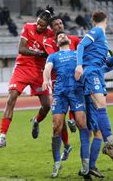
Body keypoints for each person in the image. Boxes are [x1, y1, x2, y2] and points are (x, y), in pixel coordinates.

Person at [74, 11, 113, 168]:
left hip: (97, 72)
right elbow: (80, 45)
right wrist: (79, 65)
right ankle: (110, 142)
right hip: (90, 72)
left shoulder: (102, 40)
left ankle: (107, 144)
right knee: (101, 107)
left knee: (100, 110)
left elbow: (108, 64)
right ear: (106, 20)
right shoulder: (97, 31)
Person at [0, 7, 55, 148]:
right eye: (38, 23)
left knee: (46, 106)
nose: (39, 26)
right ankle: (2, 136)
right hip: (22, 68)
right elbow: (21, 49)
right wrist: (39, 54)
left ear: (47, 25)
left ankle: (35, 121)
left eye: (42, 25)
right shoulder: (28, 27)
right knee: (11, 98)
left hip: (39, 72)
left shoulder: (51, 34)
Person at [42, 32, 90, 178]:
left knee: (82, 124)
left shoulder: (77, 54)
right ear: (57, 43)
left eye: (64, 35)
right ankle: (57, 162)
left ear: (69, 40)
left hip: (77, 92)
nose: (62, 37)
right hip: (60, 93)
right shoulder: (53, 56)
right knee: (56, 127)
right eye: (59, 37)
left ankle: (85, 163)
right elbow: (47, 69)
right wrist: (46, 79)